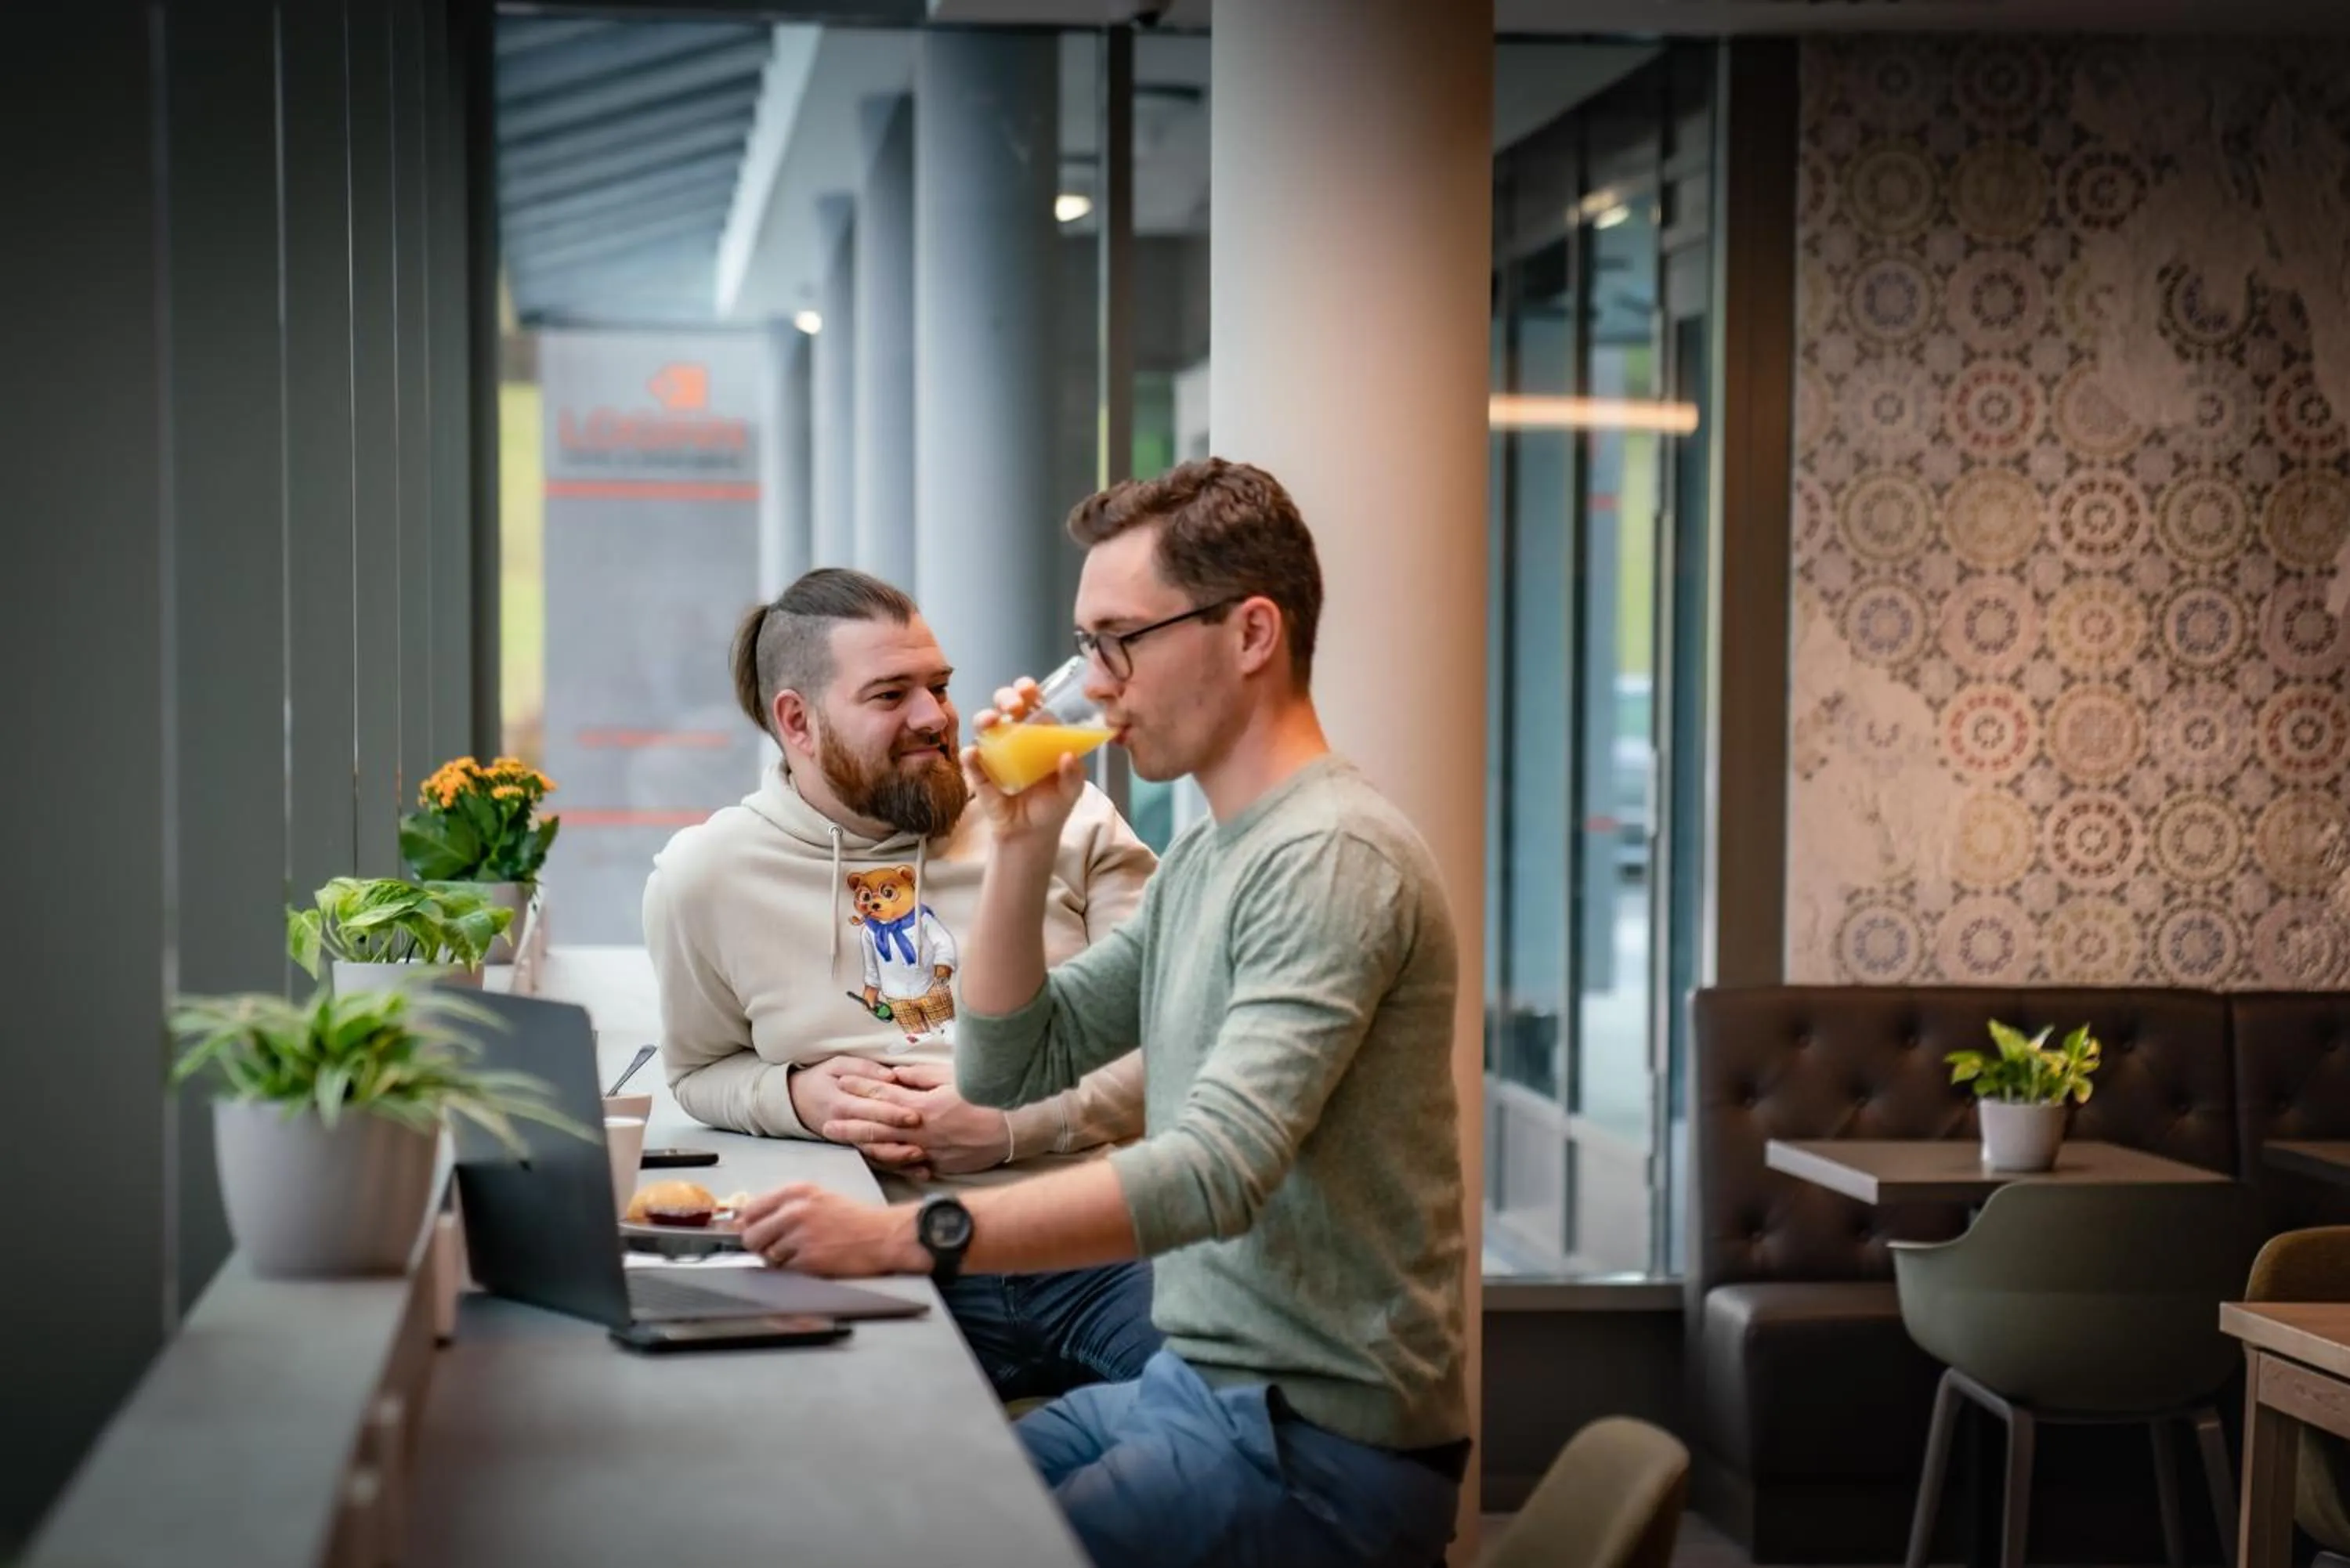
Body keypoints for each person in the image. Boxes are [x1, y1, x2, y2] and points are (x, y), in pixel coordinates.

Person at [741, 461, 1470, 1568]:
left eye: (1119, 640)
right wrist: (1023, 842)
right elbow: (1007, 1060)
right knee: (911, 1511)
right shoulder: (1211, 857)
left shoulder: (1329, 855)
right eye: (1086, 645)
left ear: (1252, 632)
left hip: (1307, 1444)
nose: (1095, 681)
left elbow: (1212, 1171)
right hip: (1195, 1390)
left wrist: (908, 1233)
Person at [644, 567, 1162, 1403]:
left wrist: (1007, 1126)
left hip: (1092, 1239)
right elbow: (701, 1070)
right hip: (890, 1249)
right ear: (797, 722)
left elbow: (1175, 1038)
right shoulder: (702, 878)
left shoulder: (1065, 815)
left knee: (1259, 1419)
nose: (936, 718)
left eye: (941, 685)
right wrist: (797, 1095)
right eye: (892, 694)